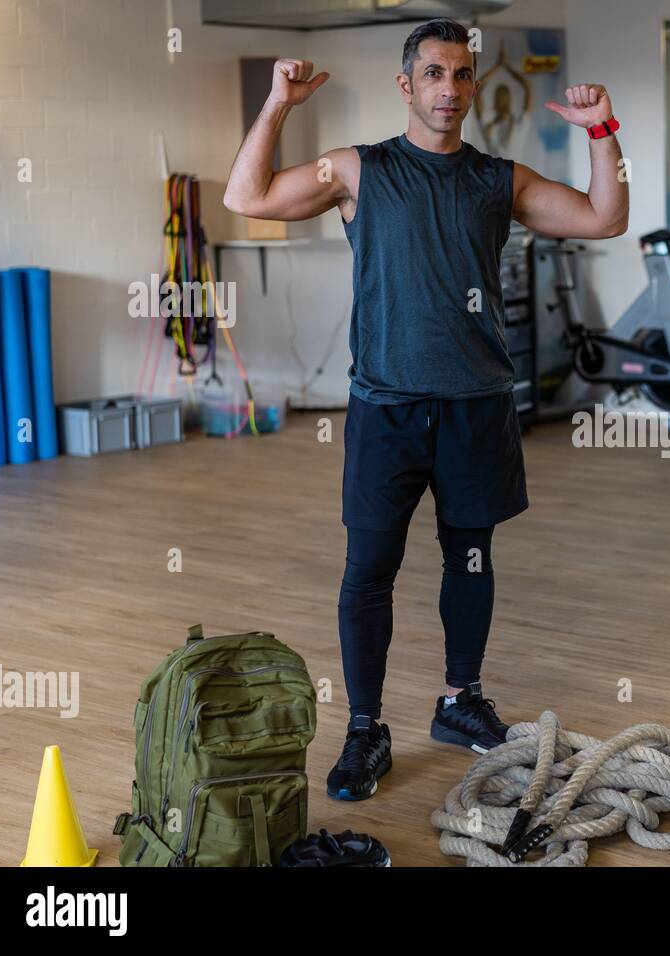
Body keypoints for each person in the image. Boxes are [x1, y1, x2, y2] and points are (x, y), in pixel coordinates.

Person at [224, 17, 628, 800]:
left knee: (469, 559)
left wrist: (602, 131)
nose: (451, 89)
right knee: (368, 569)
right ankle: (365, 729)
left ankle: (459, 700)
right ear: (407, 86)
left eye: (463, 74)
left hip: (476, 407)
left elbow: (603, 217)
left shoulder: (496, 180)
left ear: (473, 86)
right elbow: (248, 195)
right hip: (387, 410)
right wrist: (278, 105)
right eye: (435, 74)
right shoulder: (358, 171)